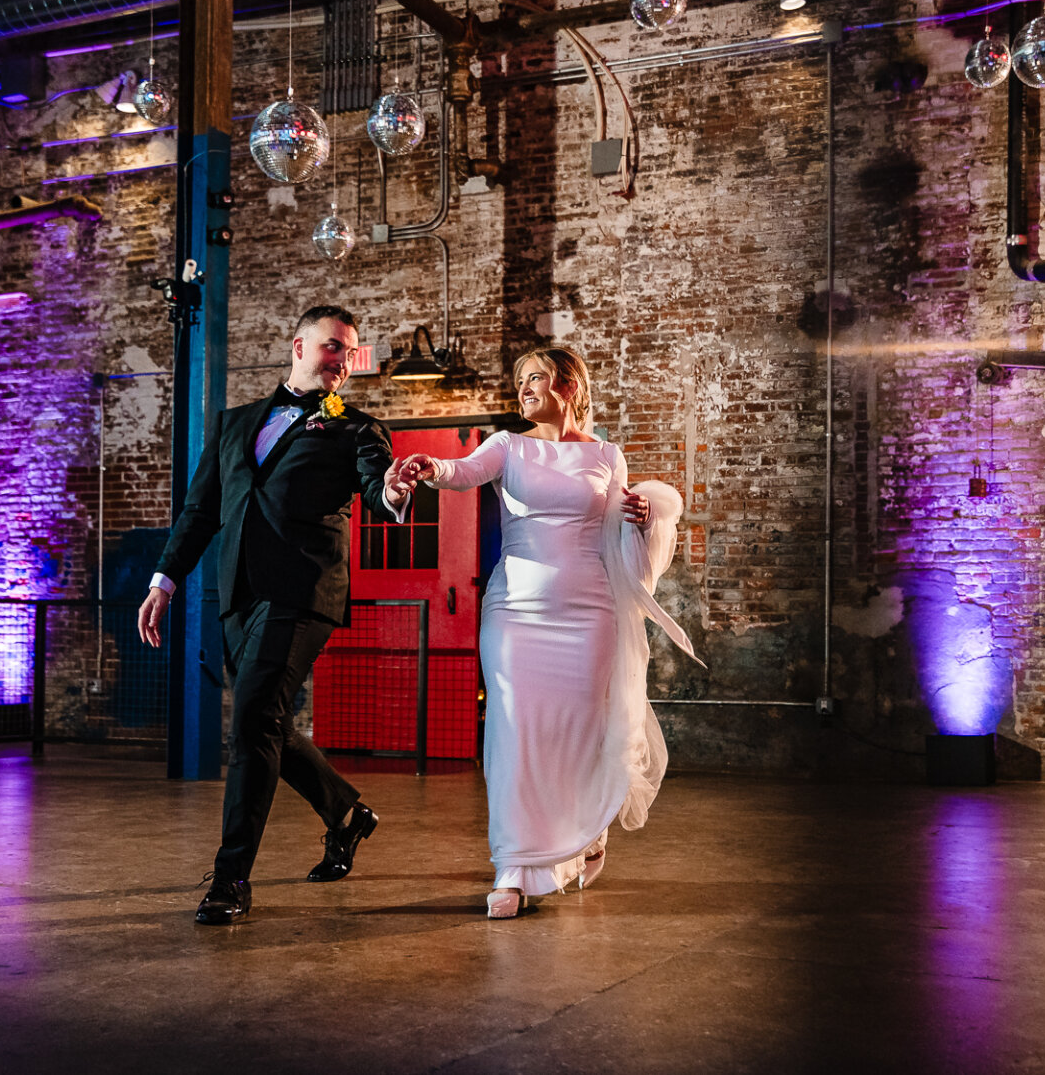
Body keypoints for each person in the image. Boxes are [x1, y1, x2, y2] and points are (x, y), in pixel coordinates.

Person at [388, 346, 698, 919]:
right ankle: (512, 867)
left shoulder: (606, 454)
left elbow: (618, 533)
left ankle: (582, 832)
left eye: (536, 377)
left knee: (577, 734)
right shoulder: (508, 446)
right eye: (520, 380)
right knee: (514, 736)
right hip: (515, 614)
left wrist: (641, 522)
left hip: (589, 613)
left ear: (569, 384)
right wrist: (430, 469)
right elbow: (462, 472)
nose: (525, 388)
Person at [139, 306, 409, 926]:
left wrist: (394, 490)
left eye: (350, 352)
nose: (342, 361)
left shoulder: (356, 429)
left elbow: (378, 491)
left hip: (302, 592)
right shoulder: (234, 424)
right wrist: (165, 580)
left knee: (252, 724)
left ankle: (231, 878)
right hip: (238, 595)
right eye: (333, 346)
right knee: (268, 724)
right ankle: (345, 812)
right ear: (299, 346)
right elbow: (200, 510)